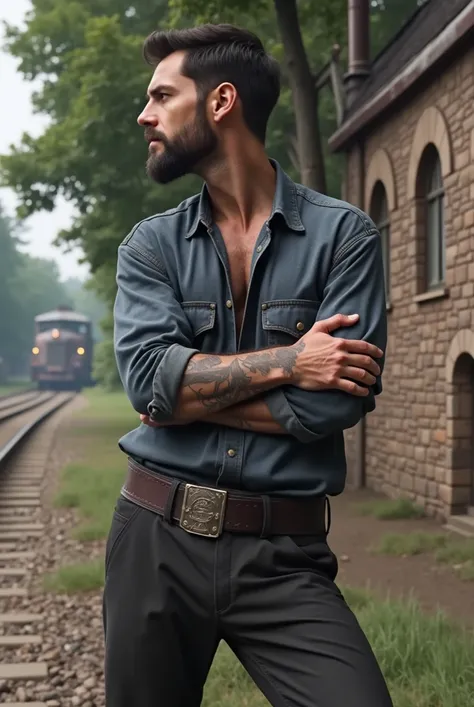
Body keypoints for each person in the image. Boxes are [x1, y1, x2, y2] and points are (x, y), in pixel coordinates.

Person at [106, 23, 392, 707]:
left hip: (284, 554)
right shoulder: (150, 246)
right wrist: (293, 360)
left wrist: (182, 395)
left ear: (221, 101)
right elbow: (147, 381)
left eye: (162, 95)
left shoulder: (344, 235)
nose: (144, 114)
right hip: (155, 540)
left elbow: (335, 405)